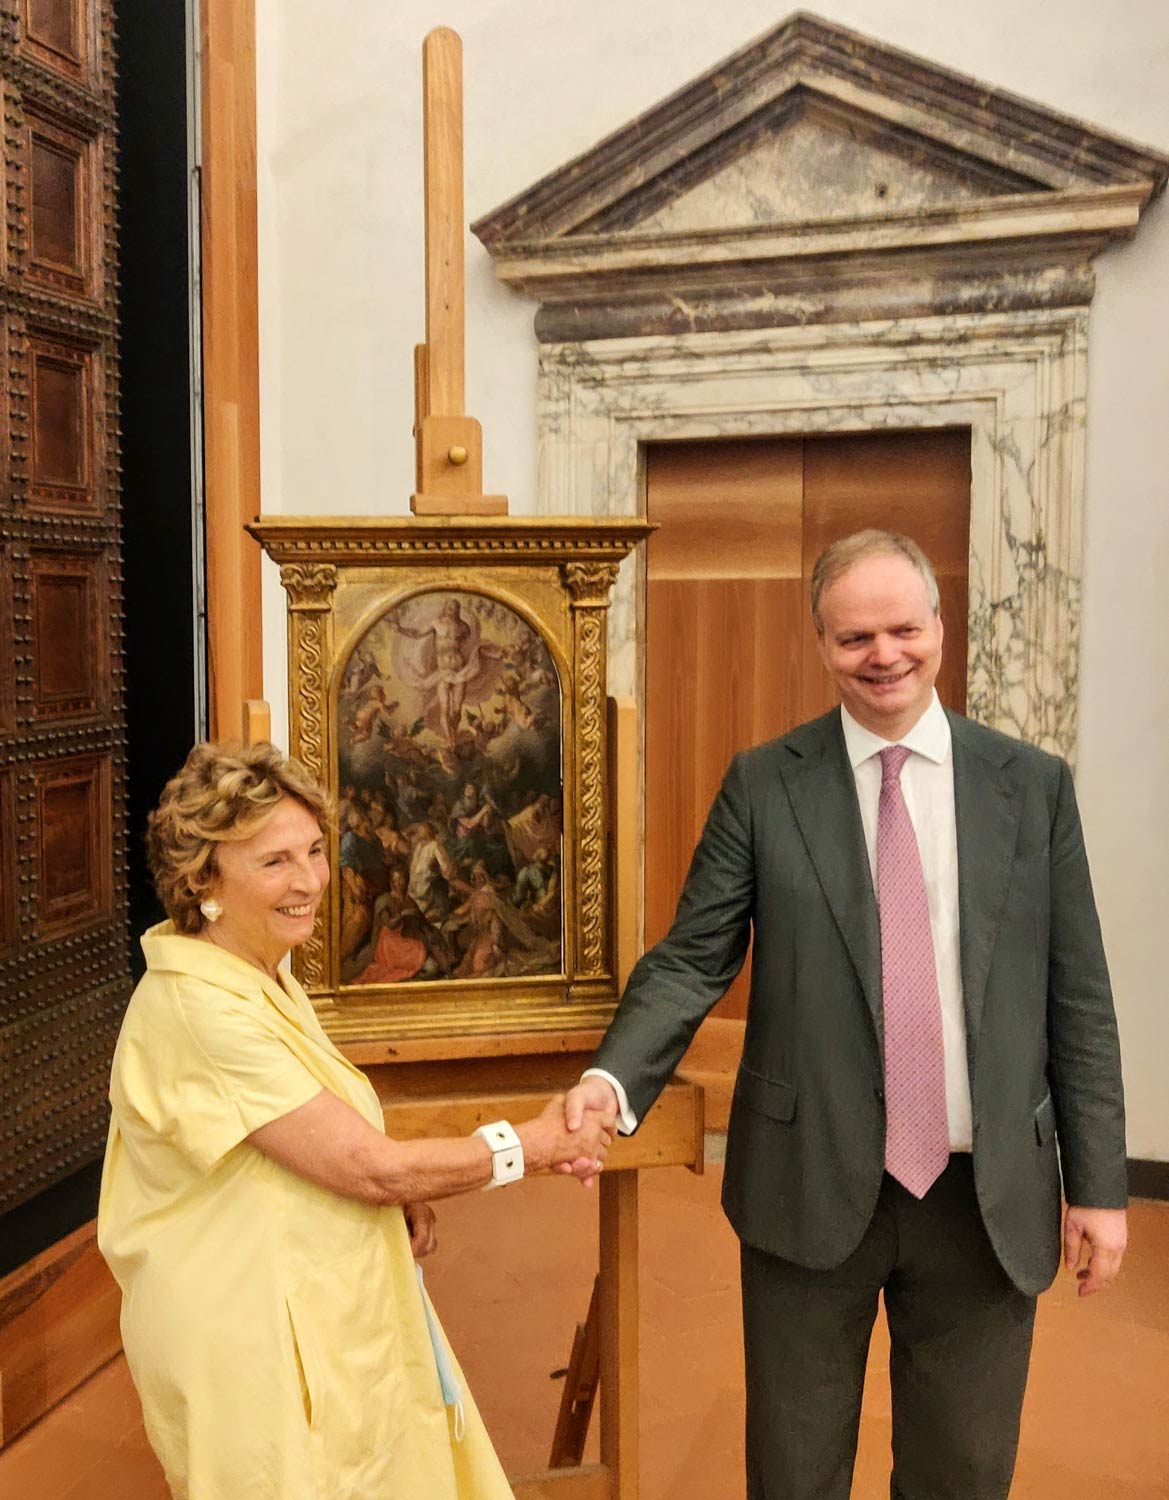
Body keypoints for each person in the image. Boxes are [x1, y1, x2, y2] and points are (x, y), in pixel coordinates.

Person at [565, 530, 1127, 1500]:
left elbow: (1076, 994)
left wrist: (1100, 1186)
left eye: (903, 629)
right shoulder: (763, 784)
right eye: (855, 636)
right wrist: (611, 1081)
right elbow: (692, 958)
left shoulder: (1030, 787)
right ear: (821, 644)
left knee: (962, 1476)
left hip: (984, 1192)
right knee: (793, 1473)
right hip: (807, 1179)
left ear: (939, 628)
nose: (883, 655)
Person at [98, 740, 610, 1500]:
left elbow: (314, 1141)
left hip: (310, 1319)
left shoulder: (255, 971)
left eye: (314, 851)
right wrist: (531, 1145)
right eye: (275, 862)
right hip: (250, 1346)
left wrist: (397, 1195)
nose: (310, 880)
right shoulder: (199, 1009)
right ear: (203, 877)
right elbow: (369, 1166)